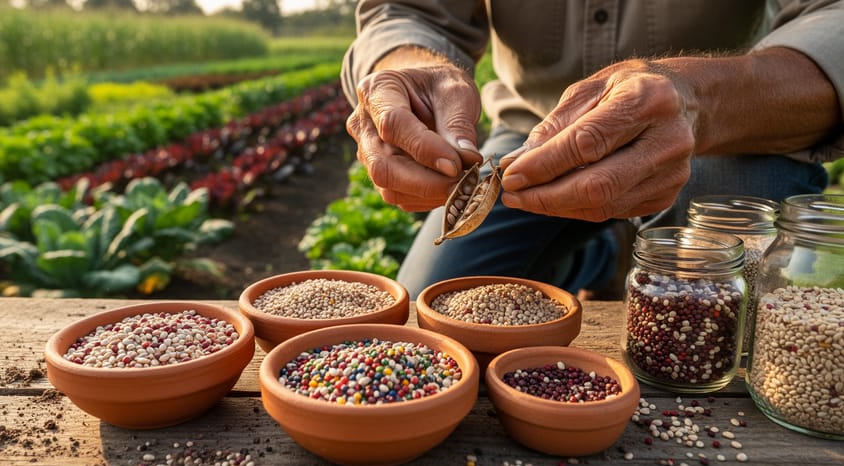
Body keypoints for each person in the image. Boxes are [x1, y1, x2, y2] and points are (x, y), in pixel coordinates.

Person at [341, 0, 844, 299]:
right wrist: (404, 66)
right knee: (434, 303)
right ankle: (602, 256)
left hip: (728, 125)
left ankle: (631, 245)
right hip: (531, 135)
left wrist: (701, 100)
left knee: (720, 306)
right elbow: (407, 10)